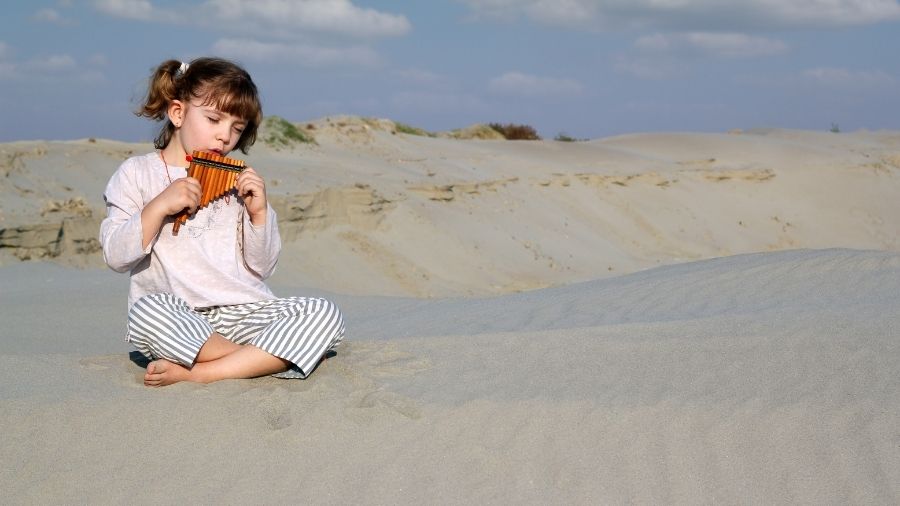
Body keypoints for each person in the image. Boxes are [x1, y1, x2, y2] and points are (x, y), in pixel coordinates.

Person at [100, 57, 344, 387]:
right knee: (146, 314)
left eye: (237, 128)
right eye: (213, 119)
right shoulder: (136, 174)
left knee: (323, 313)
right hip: (180, 316)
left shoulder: (238, 182)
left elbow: (262, 268)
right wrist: (158, 207)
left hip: (243, 311)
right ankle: (263, 357)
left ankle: (204, 372)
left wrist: (259, 214)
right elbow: (116, 256)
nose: (224, 138)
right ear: (178, 113)